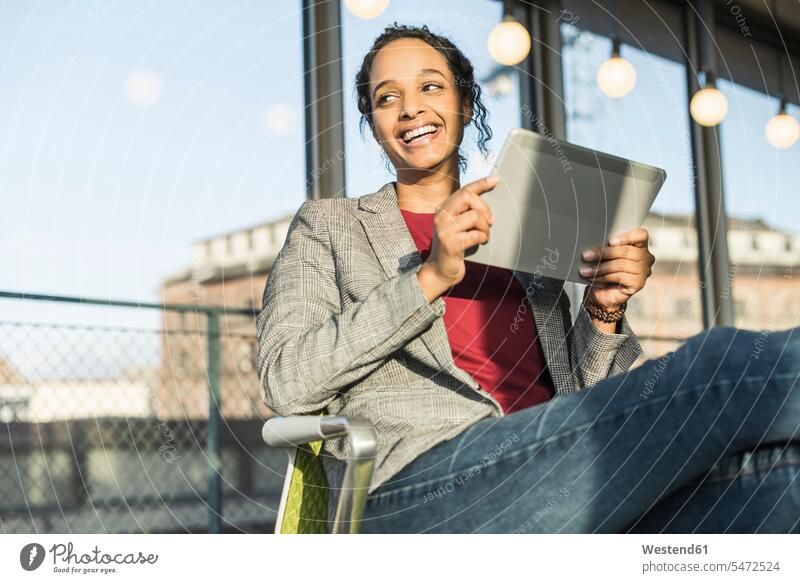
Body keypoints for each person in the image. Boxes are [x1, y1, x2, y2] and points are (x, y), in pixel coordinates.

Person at [255, 24, 800, 533]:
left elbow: (588, 401)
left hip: (553, 465)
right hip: (421, 485)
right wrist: (428, 277)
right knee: (719, 363)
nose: (410, 108)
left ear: (466, 105)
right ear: (373, 123)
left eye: (430, 86)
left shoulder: (521, 227)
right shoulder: (329, 227)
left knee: (782, 482)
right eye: (387, 97)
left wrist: (604, 308)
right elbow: (286, 382)